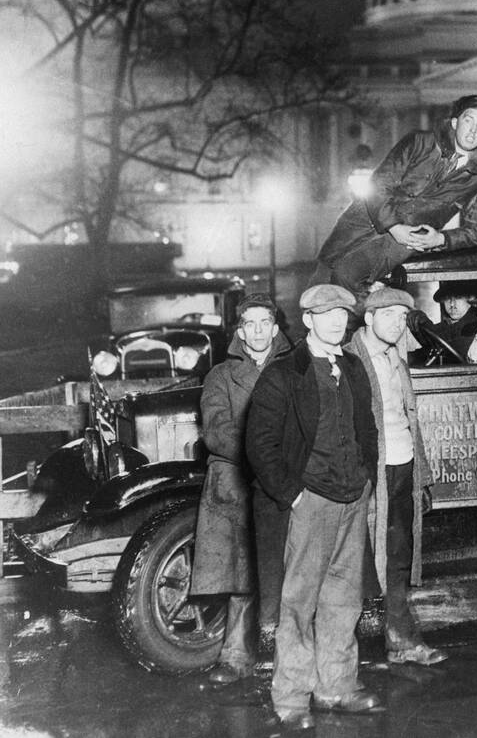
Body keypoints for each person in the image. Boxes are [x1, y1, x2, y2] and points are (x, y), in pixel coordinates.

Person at [246, 284, 383, 727]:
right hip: (311, 501)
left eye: (343, 312)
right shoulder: (284, 374)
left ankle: (336, 686)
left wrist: (366, 479)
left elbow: (369, 429)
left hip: (351, 497)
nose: (337, 320)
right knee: (298, 602)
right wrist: (292, 494)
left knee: (344, 600)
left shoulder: (355, 367)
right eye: (326, 314)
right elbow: (259, 444)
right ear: (307, 320)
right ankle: (290, 698)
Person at [190, 293, 291, 686]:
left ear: (276, 327)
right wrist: (264, 460)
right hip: (238, 482)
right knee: (241, 572)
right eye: (250, 324)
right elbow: (217, 432)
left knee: (292, 570)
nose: (258, 330)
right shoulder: (220, 376)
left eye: (265, 322)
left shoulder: (295, 368)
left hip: (285, 480)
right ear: (240, 332)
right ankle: (235, 656)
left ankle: (293, 657)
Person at [347, 284, 447, 667]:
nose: (396, 322)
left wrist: (421, 476)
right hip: (371, 474)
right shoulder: (352, 359)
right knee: (364, 560)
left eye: (402, 316)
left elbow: (411, 420)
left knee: (399, 554)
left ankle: (398, 639)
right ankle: (369, 646)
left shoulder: (396, 358)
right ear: (369, 318)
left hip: (402, 466)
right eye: (387, 314)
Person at [316, 95, 477, 298]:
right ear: (455, 122)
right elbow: (379, 183)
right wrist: (394, 226)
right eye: (468, 120)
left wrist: (441, 239)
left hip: (404, 241)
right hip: (361, 221)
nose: (473, 130)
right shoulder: (420, 142)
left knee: (346, 279)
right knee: (319, 283)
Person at [433, 282, 476, 347]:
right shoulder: (449, 323)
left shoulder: (472, 326)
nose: (452, 304)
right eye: (447, 298)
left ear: (471, 299)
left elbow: (450, 335)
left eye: (458, 298)